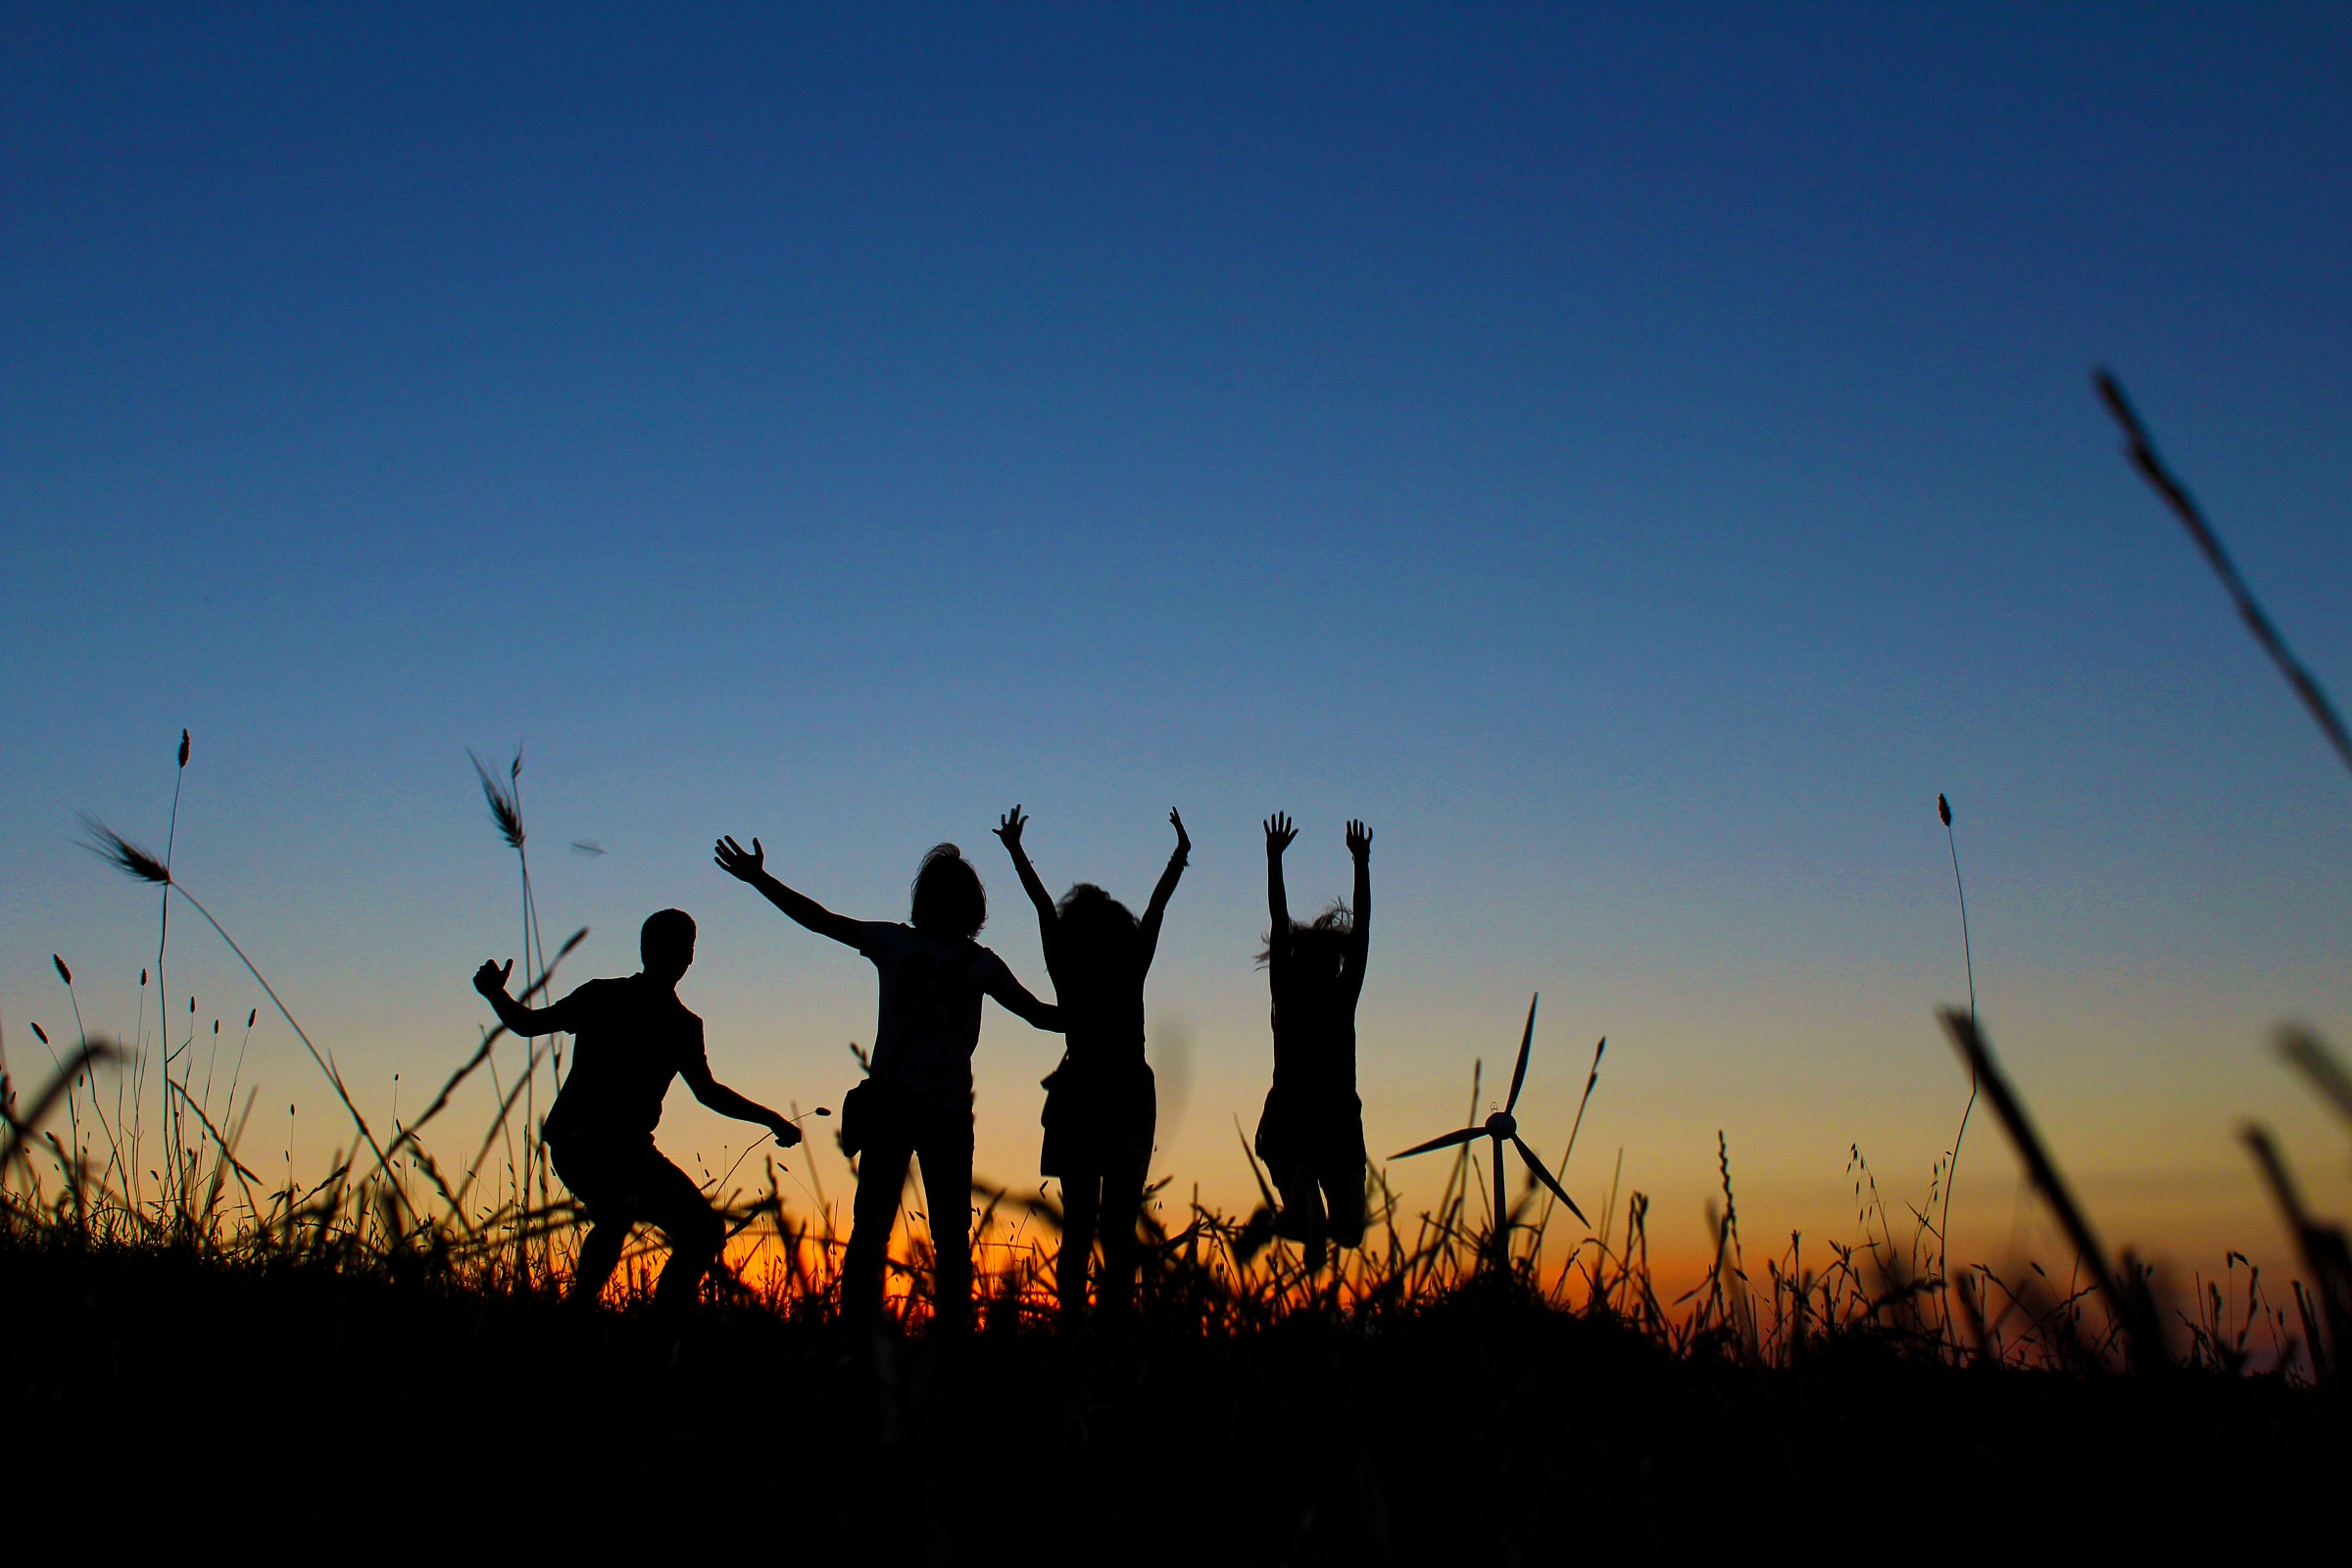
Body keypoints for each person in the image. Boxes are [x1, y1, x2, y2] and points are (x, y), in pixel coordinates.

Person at [713, 834, 1061, 1332]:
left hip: (930, 1112)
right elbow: (1040, 1016)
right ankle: (900, 1336)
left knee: (906, 1232)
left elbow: (1039, 1015)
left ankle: (897, 1336)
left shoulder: (942, 954)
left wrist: (760, 880)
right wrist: (760, 880)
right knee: (913, 1233)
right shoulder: (936, 952)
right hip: (919, 1110)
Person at [471, 908, 801, 1310]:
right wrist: (495, 994)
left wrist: (771, 1119)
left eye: (685, 947)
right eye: (668, 945)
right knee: (617, 1209)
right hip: (579, 1141)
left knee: (703, 1231)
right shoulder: (601, 995)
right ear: (645, 949)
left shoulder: (683, 1024)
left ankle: (661, 1327)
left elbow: (708, 1092)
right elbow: (527, 1024)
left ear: (691, 956)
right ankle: (576, 1312)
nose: (677, 956)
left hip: (632, 1150)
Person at [993, 804, 1189, 1325]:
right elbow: (1157, 907)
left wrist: (1016, 851)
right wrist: (1178, 858)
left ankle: (1076, 1326)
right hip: (1121, 1092)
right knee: (1115, 1224)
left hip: (1085, 1092)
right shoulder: (1129, 965)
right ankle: (1112, 1327)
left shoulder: (1069, 967)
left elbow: (1041, 906)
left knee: (1082, 1223)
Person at [1254, 813, 1373, 1270]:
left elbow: (1361, 934)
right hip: (1291, 1119)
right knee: (1312, 1221)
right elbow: (1279, 924)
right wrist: (1273, 862)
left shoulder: (1342, 996)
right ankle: (1299, 1216)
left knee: (1349, 1233)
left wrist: (1362, 864)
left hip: (1340, 1120)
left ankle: (1293, 1223)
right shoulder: (1288, 994)